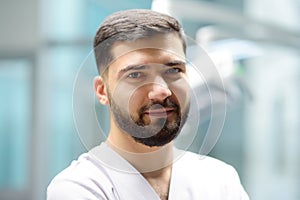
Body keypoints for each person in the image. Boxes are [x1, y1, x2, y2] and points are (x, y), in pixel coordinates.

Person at [47, 9, 249, 200]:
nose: (161, 91)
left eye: (173, 71)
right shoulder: (79, 187)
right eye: (136, 75)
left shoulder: (220, 180)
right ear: (102, 91)